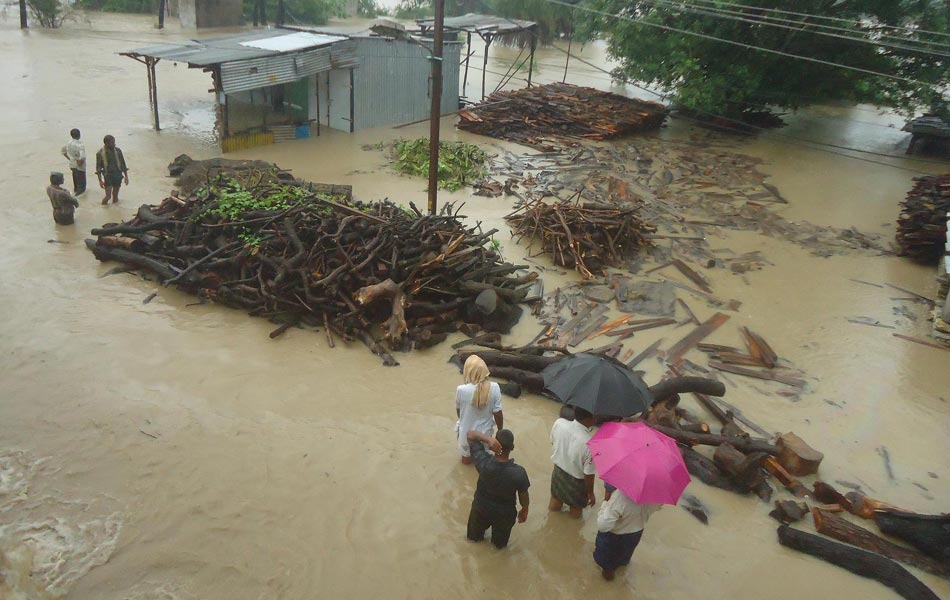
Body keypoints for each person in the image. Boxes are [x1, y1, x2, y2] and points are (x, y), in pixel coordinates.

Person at [464, 429, 530, 549]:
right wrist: (524, 510)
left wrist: (487, 439)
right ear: (512, 447)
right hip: (504, 514)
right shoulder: (519, 473)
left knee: (472, 540)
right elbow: (523, 495)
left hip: (481, 508)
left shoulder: (483, 462)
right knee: (499, 548)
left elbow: (470, 435)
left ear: (494, 444)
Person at [594, 488, 661, 581]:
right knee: (624, 557)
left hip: (614, 536)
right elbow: (656, 508)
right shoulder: (656, 494)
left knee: (607, 564)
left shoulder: (620, 496)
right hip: (635, 533)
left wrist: (604, 504)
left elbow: (603, 526)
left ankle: (608, 577)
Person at [549, 406, 597, 518]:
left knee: (555, 500)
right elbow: (588, 474)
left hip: (558, 472)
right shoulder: (591, 444)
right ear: (590, 419)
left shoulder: (559, 423)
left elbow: (552, 442)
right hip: (577, 482)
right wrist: (591, 493)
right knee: (576, 511)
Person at [456, 355, 503, 465]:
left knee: (466, 464)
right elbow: (498, 413)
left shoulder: (461, 390)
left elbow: (459, 413)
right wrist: (500, 430)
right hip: (485, 436)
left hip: (465, 434)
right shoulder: (495, 387)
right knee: (483, 465)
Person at [95, 135, 129, 205]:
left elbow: (123, 164)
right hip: (108, 176)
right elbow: (98, 168)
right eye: (112, 143)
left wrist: (126, 176)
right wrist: (100, 181)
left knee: (115, 195)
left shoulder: (118, 151)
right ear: (106, 144)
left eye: (114, 142)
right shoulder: (100, 153)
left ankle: (114, 210)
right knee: (108, 196)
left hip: (118, 175)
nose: (114, 144)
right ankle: (103, 208)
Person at [61, 128, 86, 195]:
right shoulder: (80, 145)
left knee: (76, 183)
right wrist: (79, 163)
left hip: (72, 164)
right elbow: (82, 157)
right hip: (79, 166)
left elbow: (63, 152)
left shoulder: (68, 143)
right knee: (82, 187)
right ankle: (78, 199)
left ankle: (75, 193)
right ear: (79, 135)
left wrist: (69, 158)